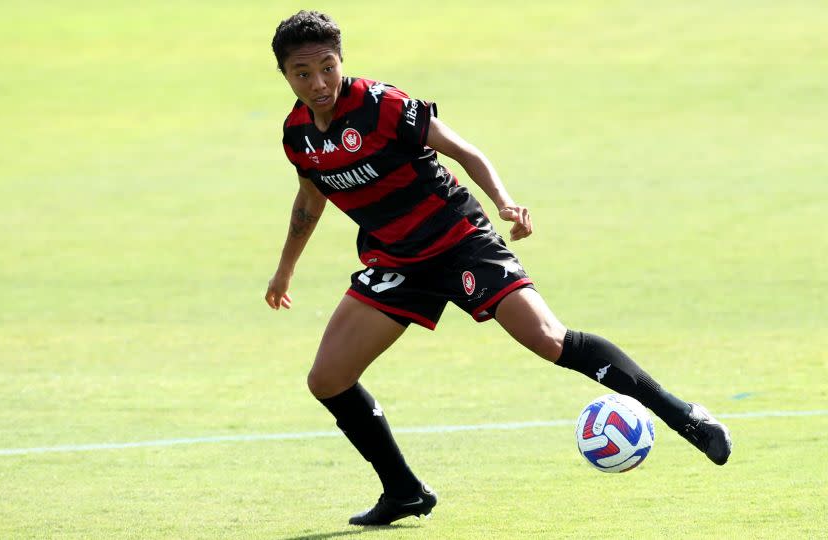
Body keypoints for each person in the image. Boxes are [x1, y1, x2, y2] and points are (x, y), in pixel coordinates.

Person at [265, 10, 732, 527]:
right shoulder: (297, 134)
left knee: (550, 340)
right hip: (397, 259)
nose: (318, 82)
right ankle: (404, 492)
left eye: (326, 67)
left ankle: (685, 417)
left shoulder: (383, 105)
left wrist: (505, 203)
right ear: (285, 76)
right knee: (327, 379)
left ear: (341, 60)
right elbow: (310, 200)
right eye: (302, 73)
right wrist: (285, 271)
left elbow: (465, 152)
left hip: (459, 241)